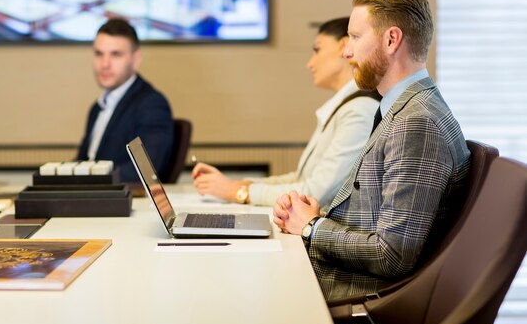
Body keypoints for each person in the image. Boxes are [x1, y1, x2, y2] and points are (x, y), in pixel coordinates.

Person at [273, 0, 470, 308]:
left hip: (354, 306)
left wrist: (311, 226)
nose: (347, 50)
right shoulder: (402, 108)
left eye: (355, 37)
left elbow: (392, 255)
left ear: (392, 40)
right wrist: (313, 214)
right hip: (338, 287)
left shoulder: (416, 122)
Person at [191, 18, 380, 207]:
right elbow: (301, 178)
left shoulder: (359, 110)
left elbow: (315, 194)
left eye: (317, 50)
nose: (310, 63)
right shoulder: (346, 106)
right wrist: (238, 185)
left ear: (344, 47)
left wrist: (238, 192)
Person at [77, 18, 174, 182]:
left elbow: (146, 171)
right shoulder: (97, 108)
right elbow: (82, 164)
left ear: (136, 60)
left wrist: (90, 182)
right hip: (91, 200)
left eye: (116, 54)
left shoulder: (151, 104)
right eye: (99, 54)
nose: (105, 64)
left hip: (122, 203)